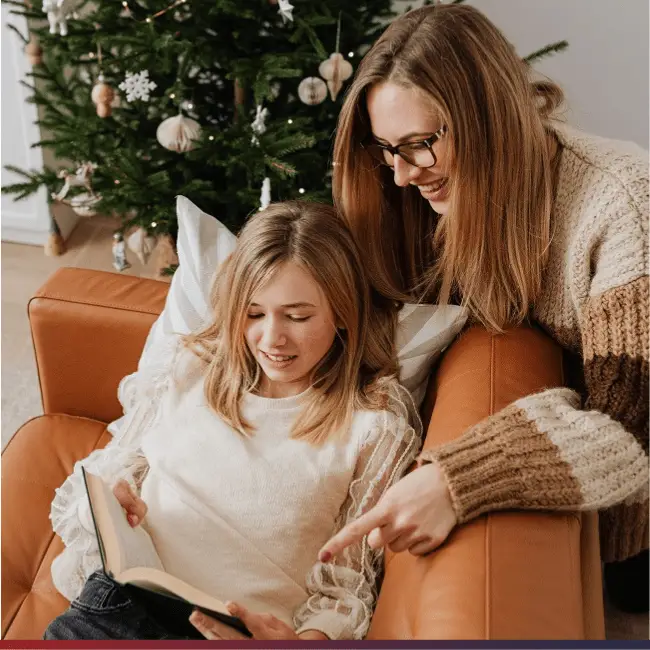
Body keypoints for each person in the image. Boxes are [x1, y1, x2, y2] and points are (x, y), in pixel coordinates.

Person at [319, 3, 649, 614]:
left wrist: (457, 478)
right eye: (387, 149)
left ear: (487, 117)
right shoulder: (434, 194)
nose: (400, 175)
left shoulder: (619, 204)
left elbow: (634, 430)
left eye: (420, 144)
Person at [44, 201, 422, 640]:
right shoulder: (189, 365)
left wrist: (307, 640)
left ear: (341, 311)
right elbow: (121, 462)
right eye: (255, 313)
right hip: (119, 604)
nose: (272, 338)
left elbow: (348, 585)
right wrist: (118, 495)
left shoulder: (372, 424)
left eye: (298, 316)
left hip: (232, 633)